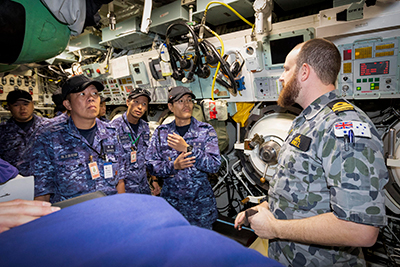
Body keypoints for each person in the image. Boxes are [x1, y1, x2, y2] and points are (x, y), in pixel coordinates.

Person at [234, 38, 389, 266]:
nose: (281, 77)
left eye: (287, 69)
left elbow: (361, 230)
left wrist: (275, 228)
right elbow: (305, 188)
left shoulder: (344, 125)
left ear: (304, 72)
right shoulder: (306, 121)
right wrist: (266, 207)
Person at [32, 75, 126, 203]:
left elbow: (119, 181)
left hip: (108, 213)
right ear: (68, 104)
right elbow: (42, 193)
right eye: (82, 94)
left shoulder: (112, 134)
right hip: (71, 217)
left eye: (95, 93)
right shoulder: (49, 138)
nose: (91, 98)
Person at [146, 86, 221, 229]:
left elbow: (215, 165)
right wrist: (173, 166)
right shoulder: (162, 132)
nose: (186, 104)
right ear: (171, 106)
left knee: (202, 248)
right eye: (180, 101)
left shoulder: (206, 130)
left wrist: (188, 149)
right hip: (172, 205)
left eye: (189, 100)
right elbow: (150, 165)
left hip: (200, 206)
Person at [111, 88, 160, 195]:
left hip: (143, 186)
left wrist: (154, 180)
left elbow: (148, 156)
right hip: (124, 189)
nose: (140, 107)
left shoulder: (145, 127)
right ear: (128, 102)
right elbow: (112, 163)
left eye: (144, 104)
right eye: (136, 102)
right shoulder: (113, 128)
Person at [0, 89, 47, 176]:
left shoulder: (49, 127)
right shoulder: (2, 131)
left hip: (45, 182)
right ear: (8, 107)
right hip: (15, 184)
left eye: (26, 104)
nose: (22, 108)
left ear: (32, 104)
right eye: (16, 105)